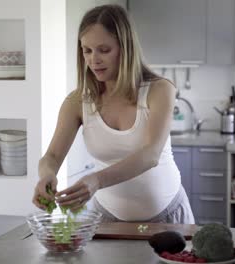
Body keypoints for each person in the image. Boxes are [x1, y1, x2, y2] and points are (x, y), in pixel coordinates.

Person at [32, 4, 194, 224]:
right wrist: (47, 175)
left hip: (167, 216)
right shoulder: (77, 101)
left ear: (125, 48)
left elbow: (151, 155)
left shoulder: (160, 90)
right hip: (107, 218)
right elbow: (51, 157)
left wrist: (96, 181)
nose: (93, 60)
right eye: (87, 50)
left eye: (104, 50)